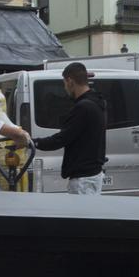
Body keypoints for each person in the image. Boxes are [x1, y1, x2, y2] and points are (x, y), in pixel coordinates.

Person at [32, 60, 107, 194]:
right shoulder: (97, 103)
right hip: (92, 175)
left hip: (83, 179)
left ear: (70, 81)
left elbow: (61, 139)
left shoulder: (83, 107)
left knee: (82, 215)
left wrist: (32, 142)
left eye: (64, 84)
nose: (65, 88)